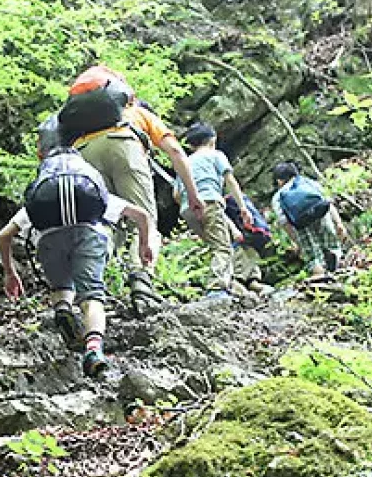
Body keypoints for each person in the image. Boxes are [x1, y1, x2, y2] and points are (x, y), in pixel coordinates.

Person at [62, 65, 205, 315]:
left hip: (84, 154)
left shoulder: (81, 126)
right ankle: (142, 285)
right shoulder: (137, 113)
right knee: (144, 221)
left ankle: (89, 286)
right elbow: (175, 151)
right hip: (123, 145)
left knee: (104, 224)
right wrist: (193, 194)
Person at [0, 149, 154, 377]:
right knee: (92, 297)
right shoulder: (88, 188)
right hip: (89, 236)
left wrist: (10, 273)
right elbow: (141, 215)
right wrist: (144, 245)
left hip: (49, 241)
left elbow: (4, 235)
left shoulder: (43, 197)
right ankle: (93, 350)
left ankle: (63, 308)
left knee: (61, 286)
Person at [171, 123, 253, 299]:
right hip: (209, 202)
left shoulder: (185, 162)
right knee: (222, 248)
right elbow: (230, 181)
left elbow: (176, 194)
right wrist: (243, 207)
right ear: (213, 139)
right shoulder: (216, 155)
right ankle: (216, 289)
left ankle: (230, 285)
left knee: (217, 246)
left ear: (191, 145)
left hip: (187, 209)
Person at [270, 161, 348, 279]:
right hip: (322, 215)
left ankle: (321, 277)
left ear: (279, 181)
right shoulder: (308, 182)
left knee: (313, 256)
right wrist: (338, 224)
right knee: (332, 246)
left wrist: (296, 241)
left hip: (301, 225)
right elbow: (327, 203)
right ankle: (338, 269)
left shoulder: (278, 197)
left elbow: (284, 222)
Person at [224, 193, 273, 292]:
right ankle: (240, 282)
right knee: (242, 252)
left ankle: (251, 281)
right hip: (244, 231)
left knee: (248, 252)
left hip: (240, 232)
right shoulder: (233, 197)